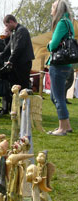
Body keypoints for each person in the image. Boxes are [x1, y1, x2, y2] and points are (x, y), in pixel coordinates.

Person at [46, 0, 73, 136]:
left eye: (52, 8)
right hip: (66, 65)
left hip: (58, 65)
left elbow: (54, 44)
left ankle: (62, 129)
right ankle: (66, 126)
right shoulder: (69, 22)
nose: (51, 10)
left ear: (57, 9)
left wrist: (49, 44)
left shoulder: (62, 23)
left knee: (58, 97)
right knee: (55, 96)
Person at [3, 14, 35, 89]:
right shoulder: (14, 32)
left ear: (11, 21)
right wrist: (0, 55)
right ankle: (16, 100)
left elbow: (19, 47)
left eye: (7, 25)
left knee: (23, 85)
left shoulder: (22, 30)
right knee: (15, 85)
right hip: (17, 63)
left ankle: (26, 100)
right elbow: (8, 47)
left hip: (23, 63)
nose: (6, 27)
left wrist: (10, 60)